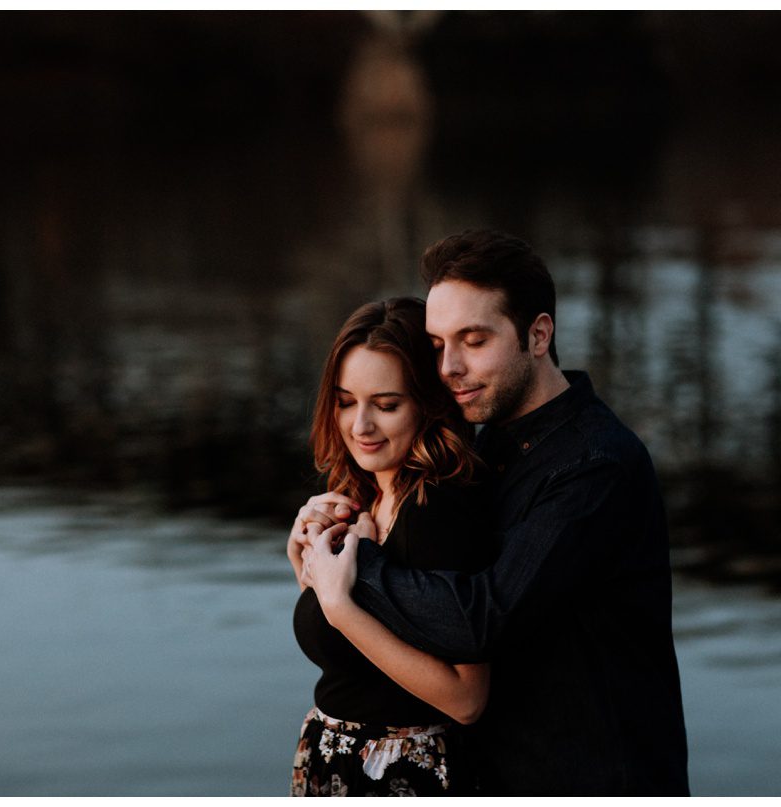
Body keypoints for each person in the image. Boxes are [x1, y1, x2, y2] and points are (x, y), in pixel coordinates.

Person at [299, 230, 690, 795]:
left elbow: (484, 619)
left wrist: (357, 569)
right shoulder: (487, 449)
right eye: (436, 345)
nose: (449, 367)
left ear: (538, 334)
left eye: (474, 340)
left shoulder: (595, 465)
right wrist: (321, 547)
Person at [287, 297, 497, 797]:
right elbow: (357, 647)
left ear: (429, 404)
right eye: (345, 401)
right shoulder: (367, 496)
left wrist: (339, 607)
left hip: (403, 775)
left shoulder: (439, 512)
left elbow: (468, 698)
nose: (360, 426)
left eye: (385, 405)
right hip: (335, 763)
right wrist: (303, 557)